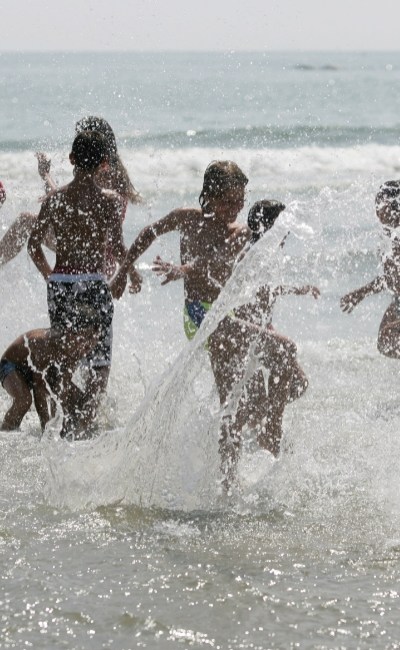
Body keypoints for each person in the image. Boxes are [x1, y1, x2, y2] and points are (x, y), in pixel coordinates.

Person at [111, 162, 311, 486]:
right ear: (209, 196)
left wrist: (185, 269)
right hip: (200, 317)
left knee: (233, 402)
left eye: (241, 200)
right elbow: (151, 232)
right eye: (229, 201)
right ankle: (269, 436)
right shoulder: (186, 218)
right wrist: (124, 270)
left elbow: (218, 261)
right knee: (285, 350)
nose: (236, 208)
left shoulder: (241, 233)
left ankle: (227, 484)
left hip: (225, 315)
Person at [27, 130, 124, 437]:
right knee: (99, 361)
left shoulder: (54, 200)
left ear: (71, 159)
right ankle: (86, 420)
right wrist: (129, 273)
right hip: (95, 285)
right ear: (104, 165)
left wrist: (51, 277)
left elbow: (33, 246)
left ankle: (69, 420)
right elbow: (119, 250)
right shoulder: (109, 202)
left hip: (62, 284)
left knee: (65, 356)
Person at [340, 181, 400, 358]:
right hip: (397, 300)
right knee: (385, 344)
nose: (377, 210)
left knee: (388, 336)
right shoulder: (390, 234)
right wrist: (361, 293)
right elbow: (391, 277)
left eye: (380, 204)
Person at [0, 327, 97, 433]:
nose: (85, 348)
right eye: (83, 339)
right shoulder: (44, 342)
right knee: (24, 400)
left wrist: (60, 426)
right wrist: (45, 428)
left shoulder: (75, 349)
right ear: (70, 334)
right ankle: (5, 433)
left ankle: (77, 432)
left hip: (35, 370)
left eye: (90, 343)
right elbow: (39, 389)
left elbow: (62, 390)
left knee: (78, 398)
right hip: (10, 364)